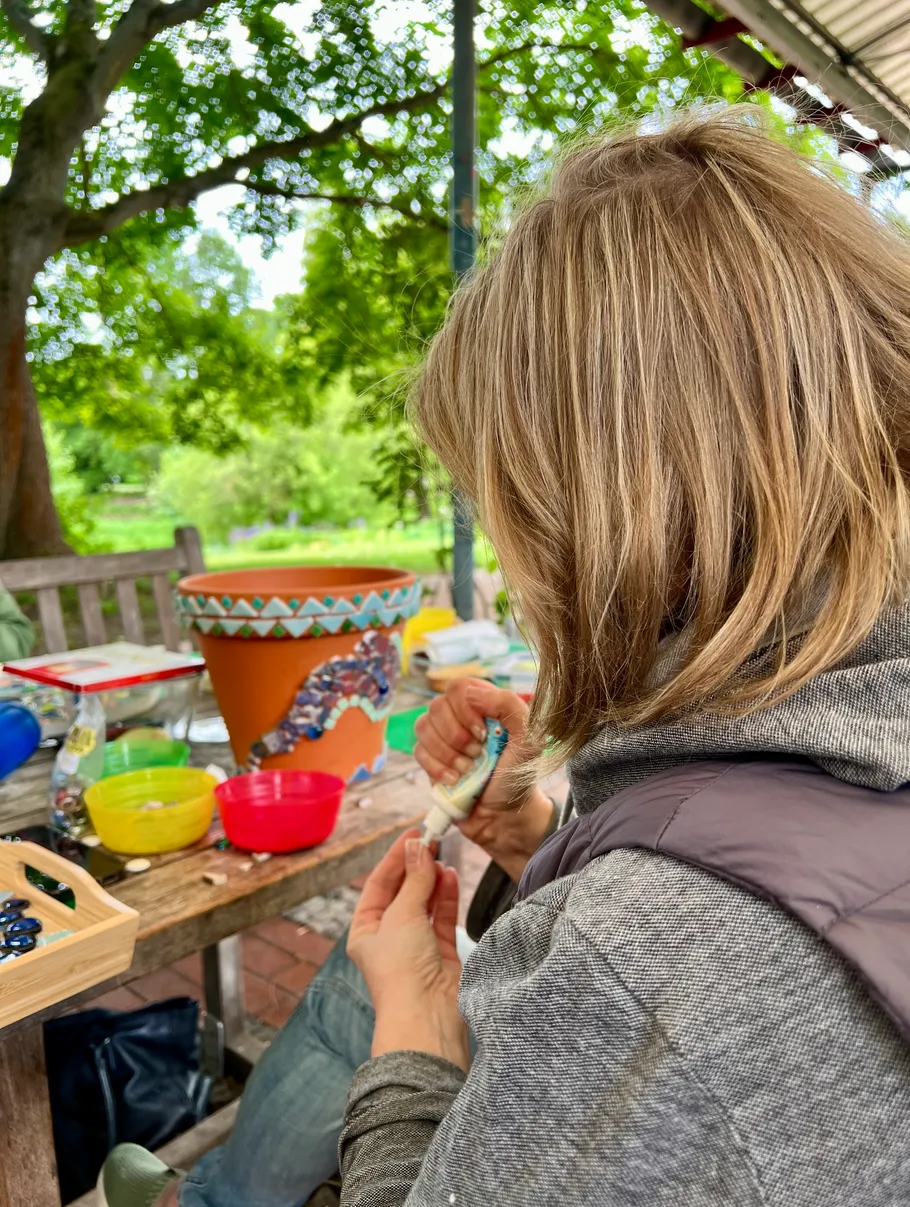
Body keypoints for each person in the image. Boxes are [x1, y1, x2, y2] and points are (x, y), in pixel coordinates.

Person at [102, 104, 910, 1207]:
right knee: (358, 985)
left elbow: (678, 994)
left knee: (369, 996)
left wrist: (421, 1035)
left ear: (602, 512)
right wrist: (543, 844)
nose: (511, 561)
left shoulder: (639, 972)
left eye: (506, 512)